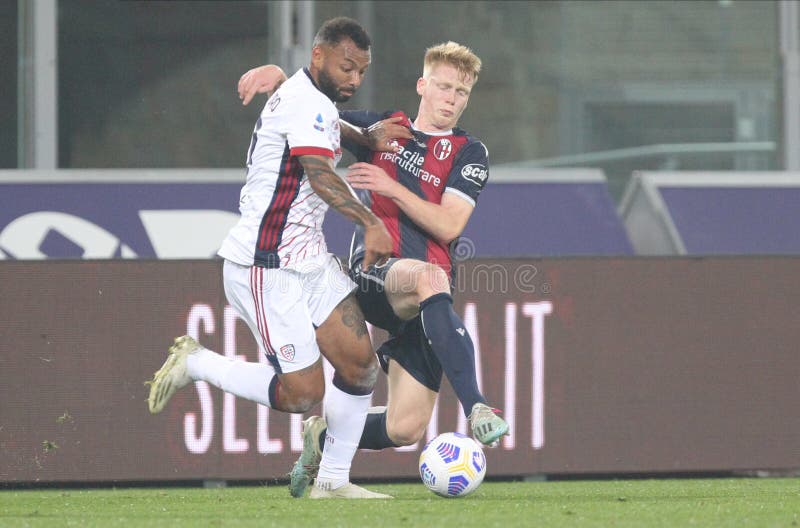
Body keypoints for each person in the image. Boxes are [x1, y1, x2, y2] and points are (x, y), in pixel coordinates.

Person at [239, 41, 509, 499]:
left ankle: (322, 438)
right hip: (373, 274)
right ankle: (478, 406)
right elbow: (319, 113)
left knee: (406, 428)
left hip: (425, 301)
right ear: (423, 86)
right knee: (429, 277)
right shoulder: (382, 129)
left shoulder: (469, 152)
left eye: (461, 92)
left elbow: (449, 223)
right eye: (443, 86)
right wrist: (283, 80)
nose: (451, 98)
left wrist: (391, 188)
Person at [146, 17, 395, 500]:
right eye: (347, 67)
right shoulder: (303, 100)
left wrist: (363, 138)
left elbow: (321, 119)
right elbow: (319, 173)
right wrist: (369, 222)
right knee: (303, 394)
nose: (354, 80)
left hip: (309, 258)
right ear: (319, 56)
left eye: (362, 72)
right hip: (265, 265)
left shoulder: (310, 99)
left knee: (361, 364)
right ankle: (197, 363)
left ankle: (333, 481)